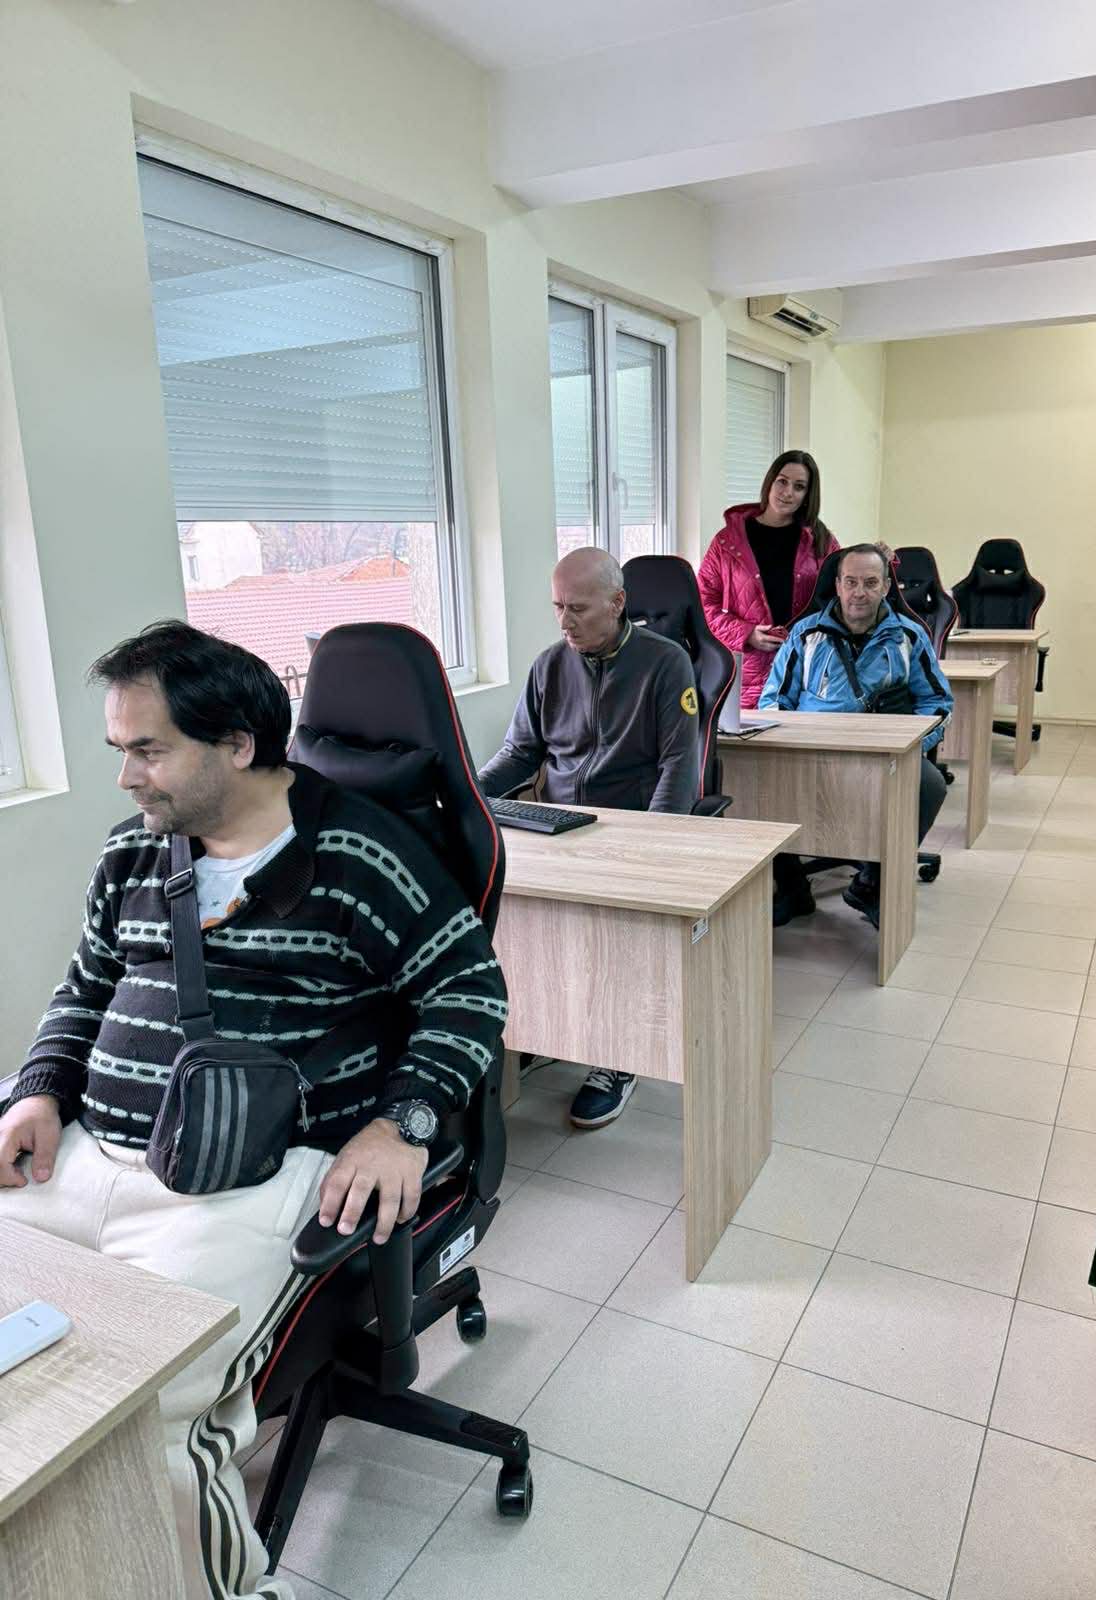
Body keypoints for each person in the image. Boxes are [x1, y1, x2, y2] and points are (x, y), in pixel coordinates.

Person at [0, 621, 507, 1600]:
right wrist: (39, 1088)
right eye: (119, 749)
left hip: (253, 1176)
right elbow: (84, 986)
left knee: (137, 1412)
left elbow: (468, 993)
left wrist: (402, 1123)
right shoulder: (133, 851)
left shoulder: (360, 852)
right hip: (83, 1152)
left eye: (148, 750)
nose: (126, 778)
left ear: (236, 742)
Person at [479, 546, 699, 1128]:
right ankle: (540, 1032)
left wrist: (653, 843)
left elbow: (680, 765)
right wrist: (467, 792)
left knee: (614, 935)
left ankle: (618, 1057)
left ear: (617, 602)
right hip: (557, 825)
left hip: (628, 825)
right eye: (558, 607)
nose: (565, 621)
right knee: (518, 921)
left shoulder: (666, 663)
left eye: (577, 608)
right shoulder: (549, 666)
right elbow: (520, 752)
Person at [759, 543, 954, 929]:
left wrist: (911, 745)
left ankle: (872, 882)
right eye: (850, 582)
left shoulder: (909, 636)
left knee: (930, 785)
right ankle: (791, 886)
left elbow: (938, 704)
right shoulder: (806, 634)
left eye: (870, 582)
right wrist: (785, 742)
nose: (859, 592)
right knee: (758, 780)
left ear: (886, 587)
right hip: (812, 750)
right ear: (837, 585)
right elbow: (774, 700)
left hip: (884, 755)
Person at [697, 450, 838, 711]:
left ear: (808, 495)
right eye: (782, 481)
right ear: (770, 482)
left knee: (804, 737)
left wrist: (884, 561)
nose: (788, 492)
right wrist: (745, 633)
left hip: (807, 670)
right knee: (750, 737)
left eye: (799, 487)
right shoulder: (727, 541)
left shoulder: (821, 540)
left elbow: (847, 588)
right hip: (749, 673)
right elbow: (703, 603)